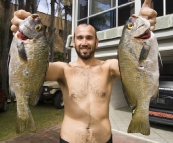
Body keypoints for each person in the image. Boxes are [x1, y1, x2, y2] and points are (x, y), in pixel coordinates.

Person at [11, 0, 157, 142]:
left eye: (89, 38)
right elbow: (34, 67)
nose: (84, 42)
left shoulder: (109, 68)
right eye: (79, 38)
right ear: (73, 42)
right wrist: (25, 43)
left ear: (96, 42)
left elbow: (135, 65)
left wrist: (139, 34)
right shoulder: (63, 70)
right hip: (69, 139)